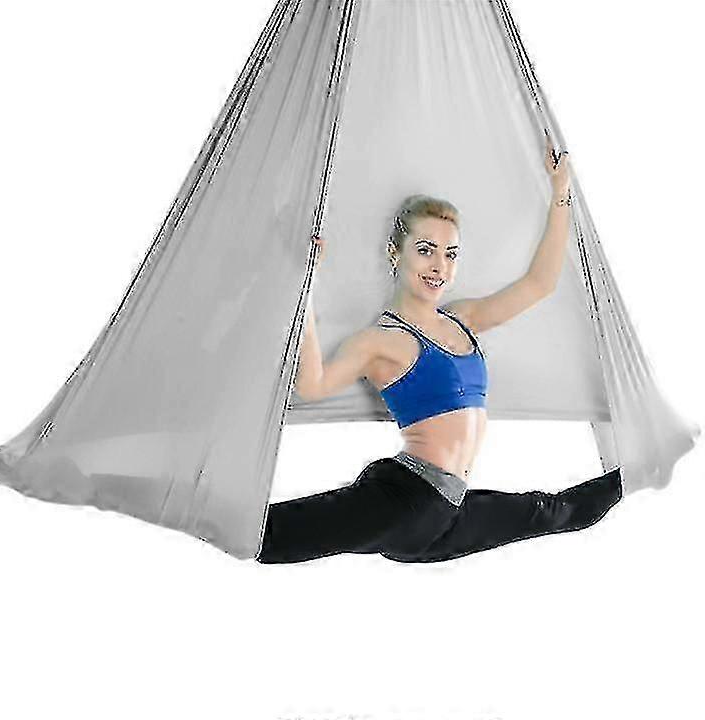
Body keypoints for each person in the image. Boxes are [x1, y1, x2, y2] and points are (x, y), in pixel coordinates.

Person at [256, 136, 623, 564]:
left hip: (446, 513)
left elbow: (539, 284)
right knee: (274, 534)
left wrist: (561, 192)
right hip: (406, 500)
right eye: (425, 250)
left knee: (553, 511)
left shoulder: (462, 318)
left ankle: (635, 472)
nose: (439, 267)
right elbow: (313, 385)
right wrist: (305, 286)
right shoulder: (381, 340)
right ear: (395, 254)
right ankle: (213, 512)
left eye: (450, 254)